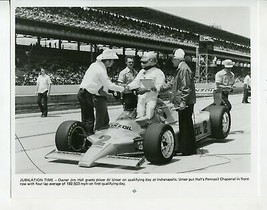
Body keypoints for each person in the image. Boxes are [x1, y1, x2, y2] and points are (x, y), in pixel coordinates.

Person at [77, 49, 124, 134]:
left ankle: (85, 136)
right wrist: (123, 88)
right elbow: (109, 85)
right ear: (107, 61)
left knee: (86, 118)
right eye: (112, 61)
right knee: (89, 120)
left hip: (82, 92)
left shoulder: (94, 65)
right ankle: (88, 138)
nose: (113, 63)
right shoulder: (101, 70)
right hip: (87, 93)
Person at [170, 48, 197, 156]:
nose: (172, 61)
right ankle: (187, 148)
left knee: (185, 125)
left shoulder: (183, 69)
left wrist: (183, 101)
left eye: (173, 59)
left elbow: (186, 87)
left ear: (177, 59)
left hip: (185, 101)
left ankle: (186, 149)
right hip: (185, 101)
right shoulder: (182, 68)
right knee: (185, 124)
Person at [126, 51, 165, 120]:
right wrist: (128, 87)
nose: (142, 64)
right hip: (141, 99)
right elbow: (136, 82)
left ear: (151, 61)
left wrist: (146, 90)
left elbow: (159, 87)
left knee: (149, 116)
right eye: (141, 62)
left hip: (151, 99)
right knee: (139, 117)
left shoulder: (158, 72)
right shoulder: (142, 71)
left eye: (144, 62)